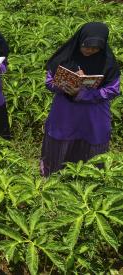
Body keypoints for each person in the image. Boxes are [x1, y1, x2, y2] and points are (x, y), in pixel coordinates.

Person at [41, 22, 120, 176]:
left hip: (93, 114)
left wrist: (83, 93)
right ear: (79, 41)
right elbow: (49, 82)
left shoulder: (108, 63)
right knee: (62, 138)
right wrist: (66, 85)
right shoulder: (65, 57)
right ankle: (55, 176)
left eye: (95, 48)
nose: (90, 51)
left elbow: (112, 90)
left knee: (92, 142)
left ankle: (91, 177)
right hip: (66, 111)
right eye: (86, 46)